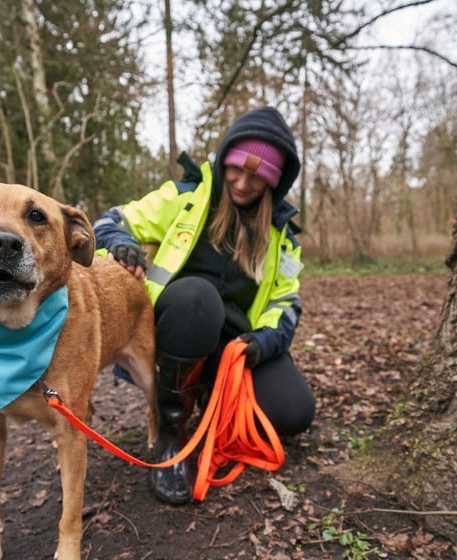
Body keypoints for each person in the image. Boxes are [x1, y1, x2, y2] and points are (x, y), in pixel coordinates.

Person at [94, 106, 315, 504]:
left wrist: (262, 343)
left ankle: (212, 393)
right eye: (237, 169)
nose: (243, 183)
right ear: (225, 157)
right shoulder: (185, 197)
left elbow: (287, 303)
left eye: (258, 177)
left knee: (295, 412)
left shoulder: (283, 236)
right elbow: (113, 219)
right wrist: (119, 244)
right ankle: (172, 438)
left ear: (274, 184)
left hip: (234, 348)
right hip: (175, 328)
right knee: (198, 296)